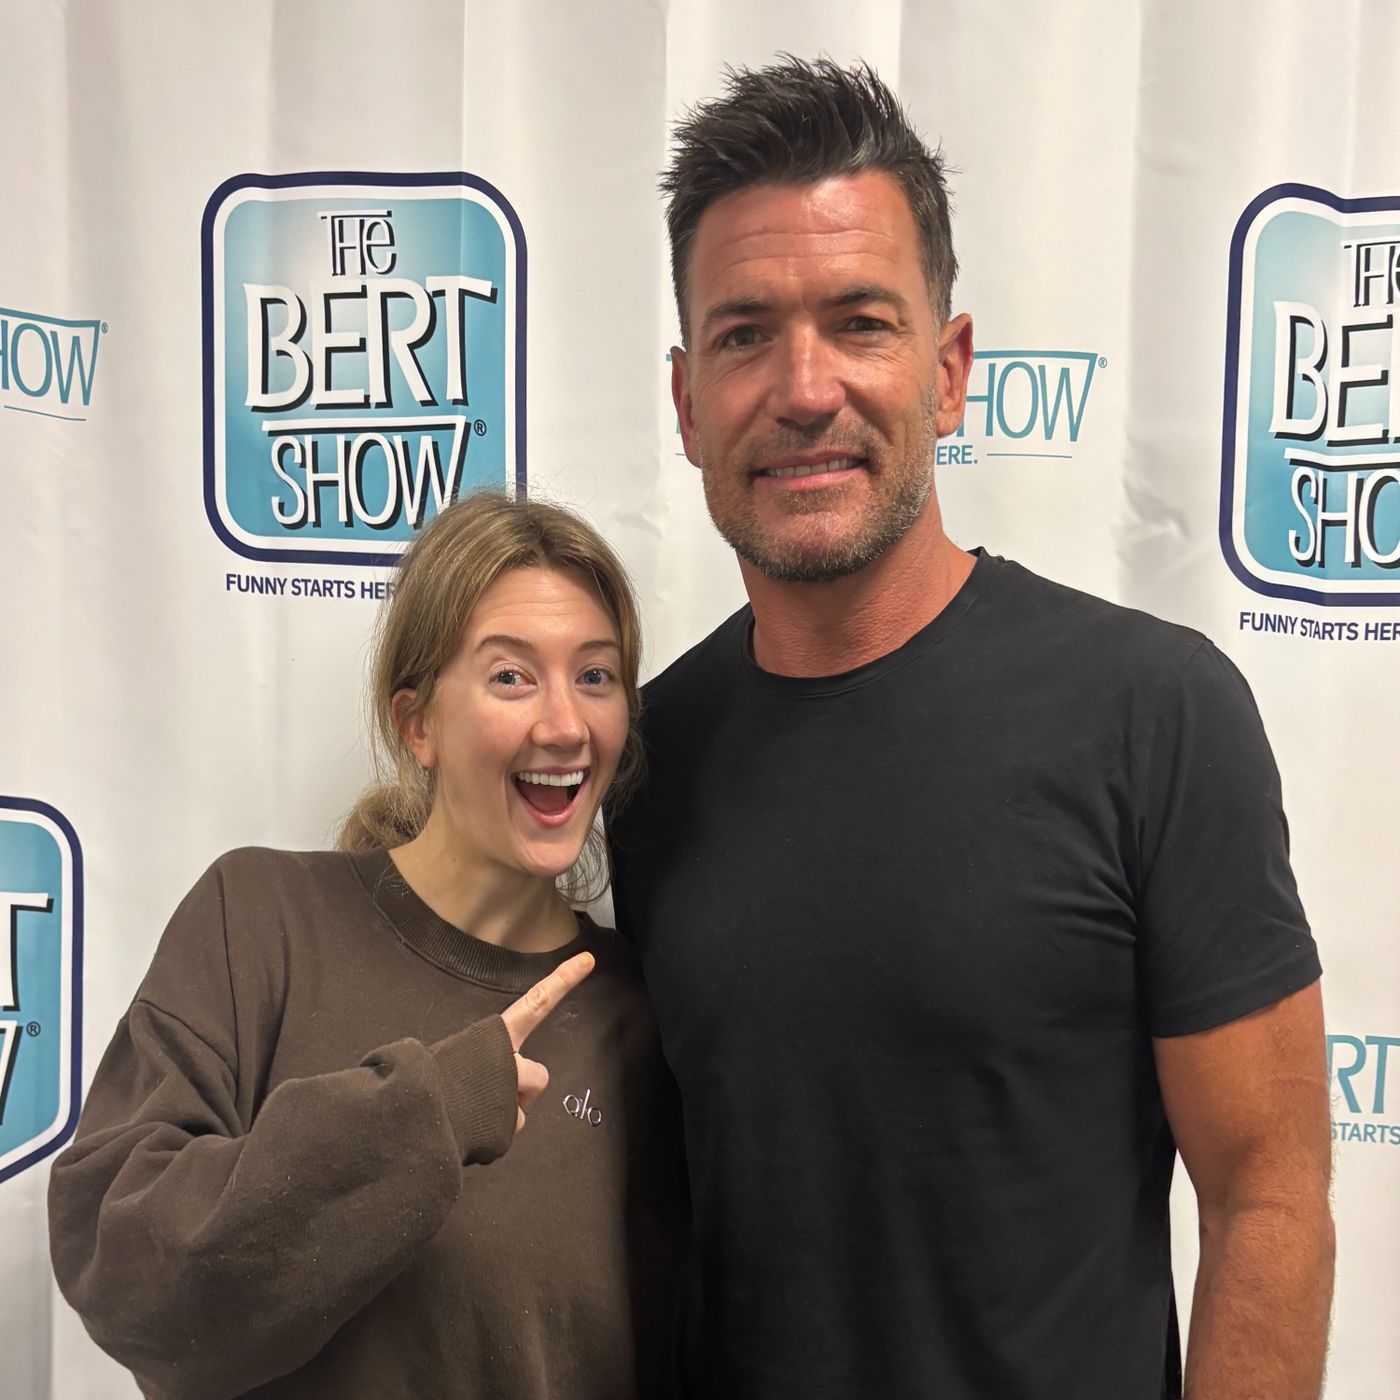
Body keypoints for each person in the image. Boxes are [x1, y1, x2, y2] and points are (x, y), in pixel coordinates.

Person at [608, 57, 1333, 1400]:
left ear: (947, 374)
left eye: (859, 322)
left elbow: (1267, 1197)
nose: (804, 388)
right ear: (688, 404)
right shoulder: (646, 759)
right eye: (744, 334)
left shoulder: (1153, 713)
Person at [49, 492, 687, 1400]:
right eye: (511, 677)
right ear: (417, 724)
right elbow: (125, 1277)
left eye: (596, 675)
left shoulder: (645, 1013)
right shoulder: (261, 920)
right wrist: (427, 1113)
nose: (564, 725)